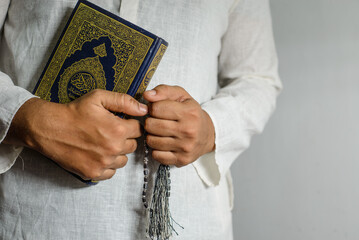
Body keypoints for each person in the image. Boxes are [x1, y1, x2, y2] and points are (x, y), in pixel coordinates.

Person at [0, 0, 282, 239]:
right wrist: (30, 120)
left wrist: (211, 129)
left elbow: (257, 79)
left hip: (190, 218)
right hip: (36, 218)